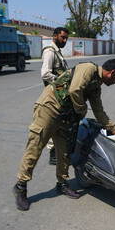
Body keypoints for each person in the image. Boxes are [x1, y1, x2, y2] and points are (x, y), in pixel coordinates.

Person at [13, 59, 115, 211]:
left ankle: (62, 184)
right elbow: (74, 90)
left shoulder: (96, 87)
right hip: (49, 108)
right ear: (112, 73)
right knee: (35, 148)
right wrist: (82, 110)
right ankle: (21, 187)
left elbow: (99, 112)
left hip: (66, 115)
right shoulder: (88, 68)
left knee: (64, 151)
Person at [41, 27, 70, 165]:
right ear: (55, 37)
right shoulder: (50, 52)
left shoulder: (58, 53)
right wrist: (59, 83)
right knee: (54, 123)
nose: (64, 40)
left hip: (60, 95)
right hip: (53, 94)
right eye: (62, 37)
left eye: (66, 38)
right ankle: (53, 153)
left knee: (62, 122)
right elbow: (45, 73)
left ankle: (59, 152)